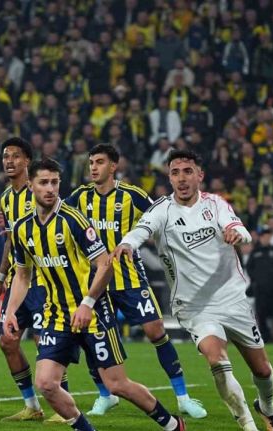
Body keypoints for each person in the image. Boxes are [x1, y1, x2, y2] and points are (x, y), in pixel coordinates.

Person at [4, 158, 187, 431]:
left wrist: (88, 304)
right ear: (30, 185)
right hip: (57, 315)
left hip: (93, 314)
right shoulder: (22, 228)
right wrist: (10, 311)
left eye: (54, 182)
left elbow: (105, 264)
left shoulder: (73, 220)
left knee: (117, 384)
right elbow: (22, 275)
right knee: (46, 384)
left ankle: (173, 425)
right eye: (43, 183)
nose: (50, 188)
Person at [114, 149, 273, 431]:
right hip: (194, 305)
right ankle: (248, 426)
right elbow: (141, 230)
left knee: (262, 369)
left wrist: (236, 233)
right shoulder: (161, 210)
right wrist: (127, 244)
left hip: (231, 298)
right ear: (169, 178)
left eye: (187, 171)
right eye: (175, 173)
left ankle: (267, 407)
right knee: (217, 361)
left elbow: (242, 230)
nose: (181, 178)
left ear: (199, 175)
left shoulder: (216, 204)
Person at [65, 144, 207, 418]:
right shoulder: (80, 196)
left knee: (156, 331)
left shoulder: (132, 195)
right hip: (94, 282)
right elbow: (57, 215)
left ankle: (183, 398)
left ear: (113, 166)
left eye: (99, 162)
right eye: (91, 162)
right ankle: (105, 396)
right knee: (92, 339)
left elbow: (162, 218)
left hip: (129, 279)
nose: (93, 167)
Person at [0, 137, 55, 422]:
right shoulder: (6, 198)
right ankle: (32, 405)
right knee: (8, 341)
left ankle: (62, 407)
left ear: (27, 161)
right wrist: (0, 277)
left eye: (15, 156)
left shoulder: (38, 191)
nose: (9, 161)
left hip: (43, 280)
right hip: (18, 280)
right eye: (6, 156)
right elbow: (11, 241)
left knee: (44, 342)